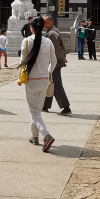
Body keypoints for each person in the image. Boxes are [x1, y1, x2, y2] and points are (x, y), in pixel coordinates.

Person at [19, 20, 57, 152]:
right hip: (44, 79)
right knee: (36, 111)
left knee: (34, 112)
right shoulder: (48, 42)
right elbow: (54, 60)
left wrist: (20, 77)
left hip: (32, 79)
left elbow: (22, 61)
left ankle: (46, 134)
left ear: (32, 28)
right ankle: (34, 137)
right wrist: (48, 72)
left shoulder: (27, 41)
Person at [40, 13, 72, 117]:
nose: (45, 24)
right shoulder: (52, 32)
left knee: (56, 85)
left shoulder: (51, 34)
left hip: (54, 64)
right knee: (50, 82)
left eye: (47, 22)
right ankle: (45, 105)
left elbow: (56, 51)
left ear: (52, 22)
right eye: (44, 22)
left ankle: (66, 107)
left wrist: (59, 61)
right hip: (53, 63)